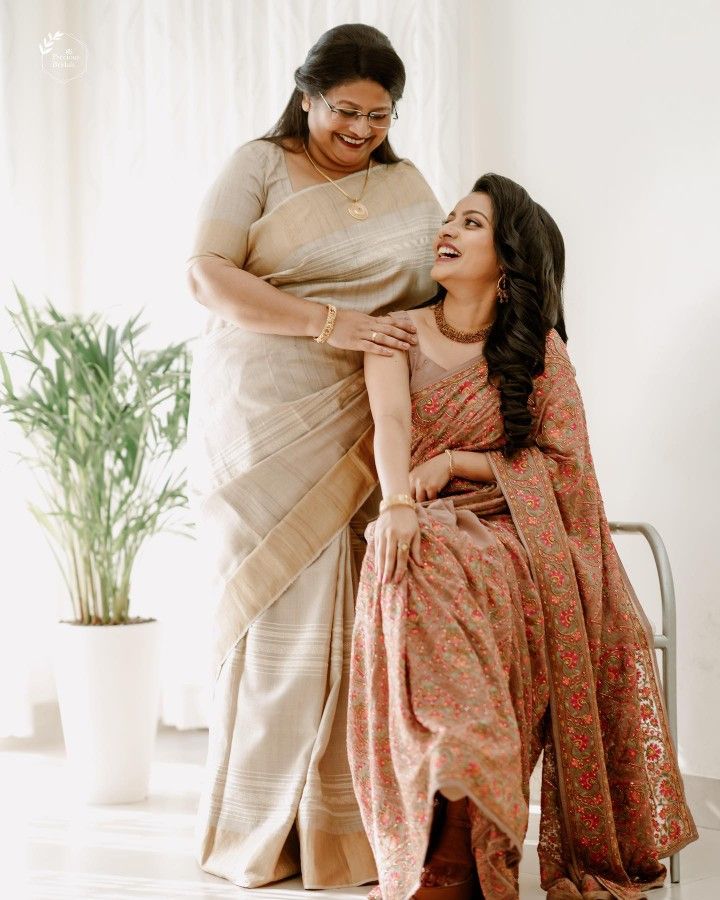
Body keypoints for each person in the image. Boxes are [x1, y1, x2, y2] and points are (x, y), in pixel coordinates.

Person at [347, 174, 697, 900]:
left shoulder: (538, 351)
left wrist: (455, 462)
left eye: (470, 223)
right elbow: (391, 427)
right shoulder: (395, 328)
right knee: (421, 553)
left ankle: (461, 831)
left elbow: (567, 470)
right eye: (449, 219)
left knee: (447, 559)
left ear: (505, 260)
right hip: (424, 520)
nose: (446, 230)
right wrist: (401, 499)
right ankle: (455, 819)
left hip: (522, 535)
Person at [185, 23, 443, 890]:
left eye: (380, 114)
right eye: (345, 110)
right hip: (265, 412)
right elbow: (208, 275)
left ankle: (351, 836)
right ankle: (263, 836)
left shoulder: (405, 183)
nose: (362, 129)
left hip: (374, 414)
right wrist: (328, 322)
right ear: (306, 96)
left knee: (365, 617)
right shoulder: (258, 164)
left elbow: (447, 281)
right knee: (280, 614)